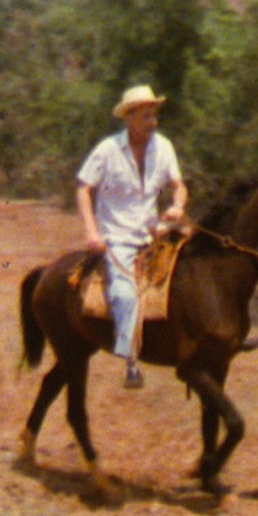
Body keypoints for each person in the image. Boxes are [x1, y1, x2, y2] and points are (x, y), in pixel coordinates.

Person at [76, 85, 188, 389]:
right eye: (147, 117)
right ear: (130, 118)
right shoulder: (107, 151)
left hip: (153, 231)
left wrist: (177, 205)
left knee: (199, 261)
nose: (153, 122)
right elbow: (84, 188)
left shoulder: (163, 147)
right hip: (118, 236)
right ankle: (131, 359)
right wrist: (91, 231)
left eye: (154, 116)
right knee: (124, 293)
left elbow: (178, 184)